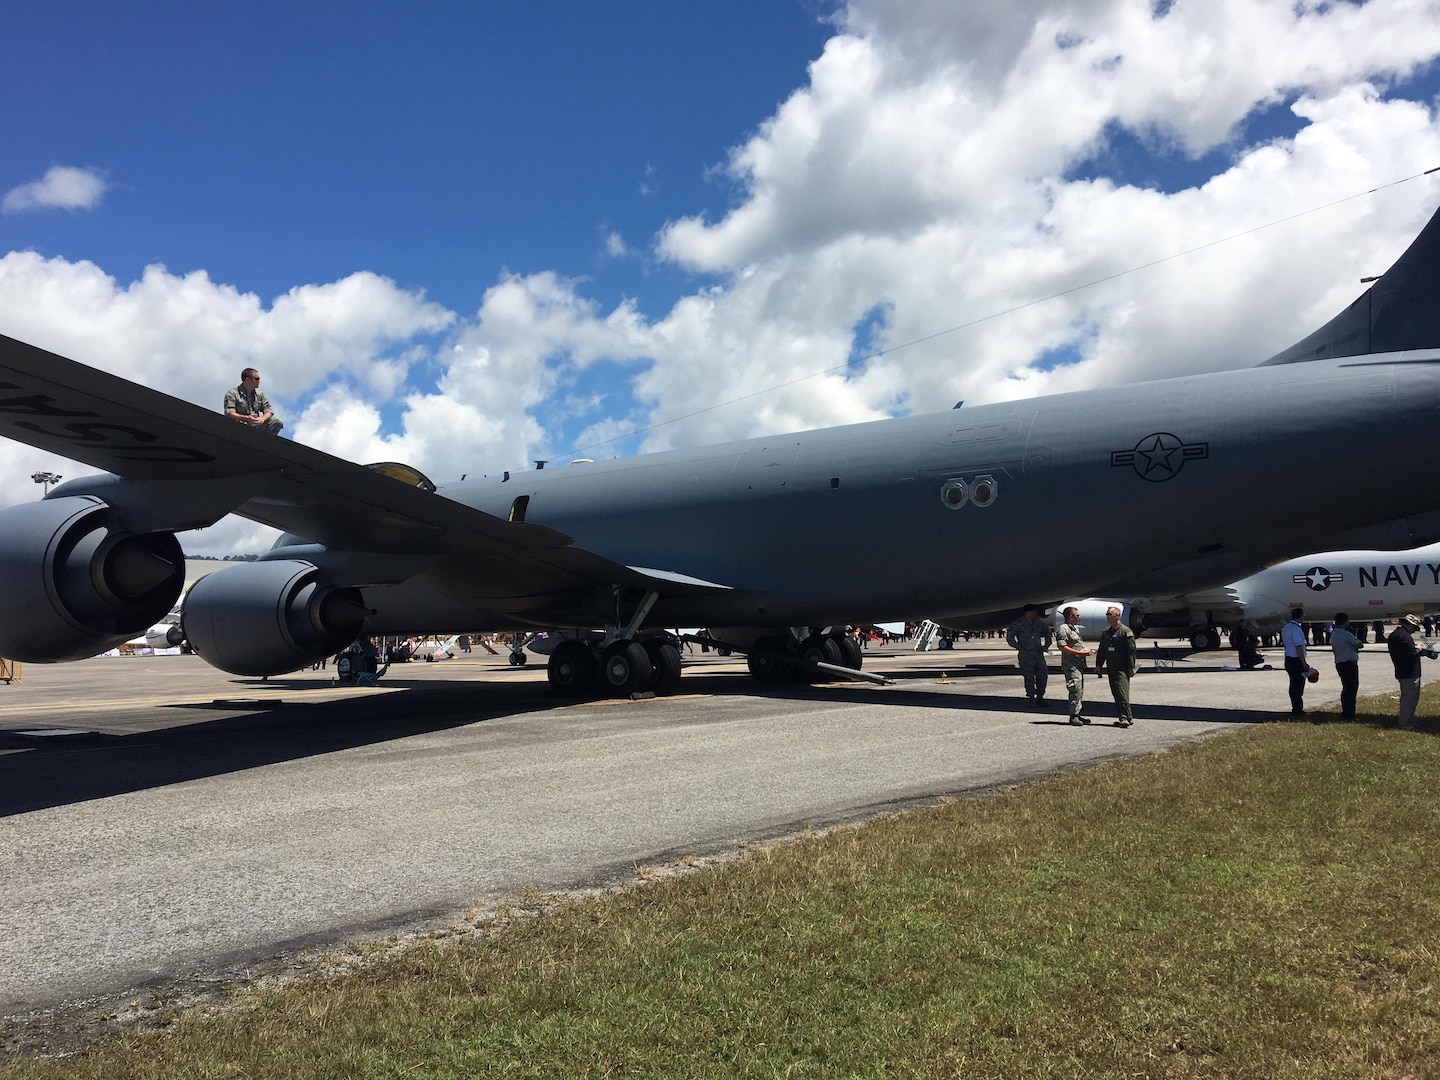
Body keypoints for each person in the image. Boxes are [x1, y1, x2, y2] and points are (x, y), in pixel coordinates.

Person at [1387, 613, 1435, 732]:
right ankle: (1405, 723)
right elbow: (1411, 653)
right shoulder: (1403, 636)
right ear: (1408, 624)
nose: (1414, 631)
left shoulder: (1396, 635)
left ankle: (1409, 721)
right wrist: (1418, 649)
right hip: (1409, 672)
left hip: (1403, 670)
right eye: (1414, 627)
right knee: (1409, 699)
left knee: (1409, 698)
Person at [1094, 605, 1138, 727]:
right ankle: (1126, 716)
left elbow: (1131, 651)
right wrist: (1098, 664)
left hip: (1122, 668)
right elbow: (1102, 649)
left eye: (1110, 614)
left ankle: (1124, 717)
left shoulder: (1125, 631)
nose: (1107, 617)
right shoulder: (1106, 632)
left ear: (1117, 616)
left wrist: (1131, 667)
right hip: (1111, 667)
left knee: (1122, 692)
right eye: (1107, 615)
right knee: (1116, 692)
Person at [1006, 603, 1053, 706]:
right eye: (1034, 612)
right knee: (1029, 676)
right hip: (1026, 654)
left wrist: (1046, 646)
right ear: (1029, 612)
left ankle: (1040, 697)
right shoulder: (1018, 623)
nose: (1036, 614)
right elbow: (1010, 637)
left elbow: (1047, 633)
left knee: (1042, 675)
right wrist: (1019, 647)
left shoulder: (1038, 623)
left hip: (1038, 653)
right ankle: (1031, 698)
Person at [1053, 605, 1092, 726]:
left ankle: (1077, 713)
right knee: (1074, 689)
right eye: (1077, 616)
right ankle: (1073, 716)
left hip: (1078, 664)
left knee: (1079, 690)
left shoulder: (1074, 629)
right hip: (1071, 665)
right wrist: (1080, 653)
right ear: (1070, 617)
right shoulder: (1063, 629)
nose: (1078, 618)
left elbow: (1076, 644)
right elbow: (1062, 647)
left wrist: (1085, 651)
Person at [223, 368, 283, 433]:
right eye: (257, 379)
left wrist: (262, 419)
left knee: (277, 421)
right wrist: (247, 418)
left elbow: (269, 411)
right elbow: (229, 413)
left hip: (255, 425)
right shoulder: (232, 393)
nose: (259, 381)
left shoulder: (260, 394)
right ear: (247, 380)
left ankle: (265, 441)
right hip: (239, 426)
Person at [1330, 613, 1364, 722]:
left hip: (1340, 663)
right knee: (1351, 689)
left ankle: (1346, 713)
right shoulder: (1346, 634)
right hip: (1349, 663)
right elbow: (1359, 644)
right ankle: (1350, 714)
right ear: (1345, 622)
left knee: (1346, 688)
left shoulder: (1334, 634)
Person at [1280, 607, 1311, 717]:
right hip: (1296, 659)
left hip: (1288, 658)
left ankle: (1296, 706)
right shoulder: (1296, 629)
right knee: (1298, 685)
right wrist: (1304, 662)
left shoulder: (1286, 628)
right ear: (1300, 616)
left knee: (1293, 684)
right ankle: (1297, 708)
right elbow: (1298, 646)